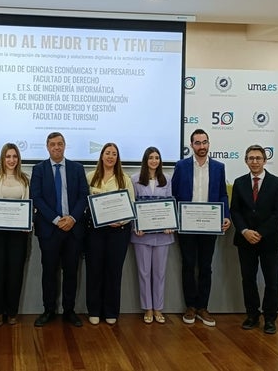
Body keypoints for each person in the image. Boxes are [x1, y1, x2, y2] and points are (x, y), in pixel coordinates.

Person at [171, 129, 231, 327]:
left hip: (209, 224)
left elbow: (223, 194)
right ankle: (190, 306)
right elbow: (174, 194)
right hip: (186, 225)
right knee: (188, 265)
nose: (202, 146)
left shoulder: (218, 167)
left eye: (205, 142)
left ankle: (203, 307)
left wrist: (226, 216)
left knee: (206, 266)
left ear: (209, 143)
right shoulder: (181, 166)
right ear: (191, 145)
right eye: (197, 143)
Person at [30, 132, 88, 327]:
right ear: (47, 147)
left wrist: (71, 218)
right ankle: (49, 310)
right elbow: (36, 197)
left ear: (65, 146)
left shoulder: (77, 168)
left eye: (60, 144)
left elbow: (83, 196)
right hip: (49, 229)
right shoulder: (38, 169)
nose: (56, 147)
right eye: (53, 144)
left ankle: (69, 311)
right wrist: (56, 220)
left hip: (73, 229)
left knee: (71, 272)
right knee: (49, 272)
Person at [230, 145, 278, 334]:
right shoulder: (239, 183)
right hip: (245, 240)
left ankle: (270, 319)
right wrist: (245, 230)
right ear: (246, 161)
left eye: (258, 158)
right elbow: (235, 211)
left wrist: (260, 232)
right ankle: (252, 315)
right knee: (248, 279)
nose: (254, 161)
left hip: (270, 241)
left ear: (265, 160)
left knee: (272, 281)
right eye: (251, 158)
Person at [0, 143, 30, 327]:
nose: (11, 160)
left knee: (15, 272)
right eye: (8, 156)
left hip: (18, 234)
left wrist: (27, 222)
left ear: (18, 159)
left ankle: (12, 311)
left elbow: (28, 204)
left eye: (14, 157)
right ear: (2, 158)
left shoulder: (25, 179)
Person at [85, 142, 134, 325]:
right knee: (94, 271)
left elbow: (131, 205)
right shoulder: (91, 177)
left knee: (114, 272)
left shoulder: (124, 179)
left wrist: (120, 221)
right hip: (95, 232)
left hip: (118, 232)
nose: (110, 156)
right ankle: (94, 310)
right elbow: (85, 204)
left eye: (114, 153)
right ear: (102, 156)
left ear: (117, 157)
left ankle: (111, 311)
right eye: (107, 153)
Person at [131, 147, 175, 324]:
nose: (154, 161)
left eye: (157, 157)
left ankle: (158, 307)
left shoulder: (167, 179)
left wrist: (170, 224)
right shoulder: (134, 179)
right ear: (145, 160)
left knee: (159, 273)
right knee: (143, 272)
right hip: (141, 235)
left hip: (163, 235)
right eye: (151, 157)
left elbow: (171, 202)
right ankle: (147, 307)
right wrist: (136, 226)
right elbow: (132, 205)